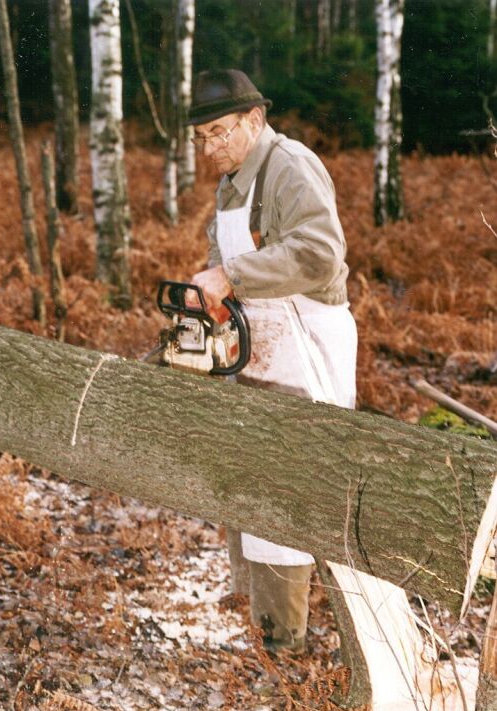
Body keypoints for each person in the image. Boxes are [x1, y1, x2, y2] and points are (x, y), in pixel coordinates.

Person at [187, 69, 357, 653]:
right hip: (261, 347)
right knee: (253, 485)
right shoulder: (232, 183)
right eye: (200, 138)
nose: (209, 149)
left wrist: (231, 275)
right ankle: (268, 629)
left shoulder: (290, 167)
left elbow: (319, 253)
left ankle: (288, 646)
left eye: (218, 133)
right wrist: (211, 299)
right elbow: (224, 259)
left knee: (292, 490)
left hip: (307, 346)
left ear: (254, 120)